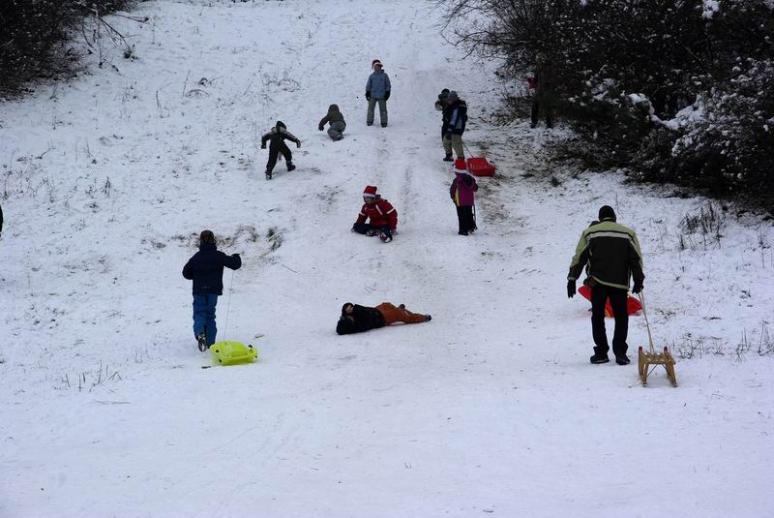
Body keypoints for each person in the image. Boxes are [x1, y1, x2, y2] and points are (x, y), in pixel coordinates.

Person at [567, 206, 645, 365]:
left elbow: (579, 257)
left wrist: (572, 278)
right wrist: (638, 279)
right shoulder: (627, 233)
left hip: (597, 282)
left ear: (600, 218)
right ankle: (621, 353)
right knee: (621, 317)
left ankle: (601, 352)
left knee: (597, 317)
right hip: (619, 283)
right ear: (614, 218)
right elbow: (635, 258)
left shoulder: (590, 233)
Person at [182, 230, 242, 351]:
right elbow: (235, 265)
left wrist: (197, 276)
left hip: (199, 290)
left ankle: (200, 332)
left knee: (199, 313)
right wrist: (236, 257)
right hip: (213, 291)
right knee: (210, 315)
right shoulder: (218, 255)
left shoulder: (196, 258)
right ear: (213, 240)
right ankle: (210, 343)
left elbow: (186, 273)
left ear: (200, 241)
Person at [337, 302, 431, 335]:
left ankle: (398, 309)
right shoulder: (360, 326)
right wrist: (355, 308)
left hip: (378, 309)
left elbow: (340, 328)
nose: (350, 316)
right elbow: (365, 313)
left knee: (387, 304)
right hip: (384, 317)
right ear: (351, 324)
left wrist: (347, 307)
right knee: (405, 317)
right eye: (350, 318)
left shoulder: (347, 319)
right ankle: (423, 318)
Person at [449, 158, 478, 235]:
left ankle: (463, 230)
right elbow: (475, 188)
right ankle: (471, 227)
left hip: (460, 201)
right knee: (469, 213)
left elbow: (452, 189)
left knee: (461, 215)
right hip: (469, 201)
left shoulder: (457, 180)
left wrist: (453, 197)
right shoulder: (471, 179)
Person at [530, 53, 555, 128]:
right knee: (535, 106)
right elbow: (535, 78)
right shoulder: (538, 67)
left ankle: (549, 123)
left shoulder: (549, 67)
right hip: (539, 89)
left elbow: (553, 78)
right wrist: (532, 85)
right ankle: (534, 122)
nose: (539, 61)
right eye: (538, 60)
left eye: (540, 60)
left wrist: (549, 83)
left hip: (547, 90)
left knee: (547, 106)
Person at [365, 59, 391, 127]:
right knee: (370, 109)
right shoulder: (371, 76)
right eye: (375, 66)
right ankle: (369, 121)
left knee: (383, 110)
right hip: (373, 95)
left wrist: (387, 92)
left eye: (378, 66)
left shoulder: (384, 75)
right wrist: (367, 92)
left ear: (380, 67)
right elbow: (368, 85)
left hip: (382, 95)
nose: (376, 68)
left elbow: (388, 85)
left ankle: (384, 122)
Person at [443, 90, 468, 161]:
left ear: (454, 99)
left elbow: (454, 119)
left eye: (450, 99)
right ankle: (449, 155)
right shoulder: (452, 106)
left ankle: (461, 158)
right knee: (445, 141)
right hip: (451, 127)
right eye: (448, 99)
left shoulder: (457, 107)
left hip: (457, 128)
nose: (449, 101)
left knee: (456, 143)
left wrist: (450, 130)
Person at [434, 88, 453, 161]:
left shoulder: (446, 99)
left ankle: (449, 155)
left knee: (445, 139)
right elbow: (439, 107)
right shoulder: (451, 100)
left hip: (448, 122)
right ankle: (449, 155)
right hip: (450, 122)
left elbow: (437, 108)